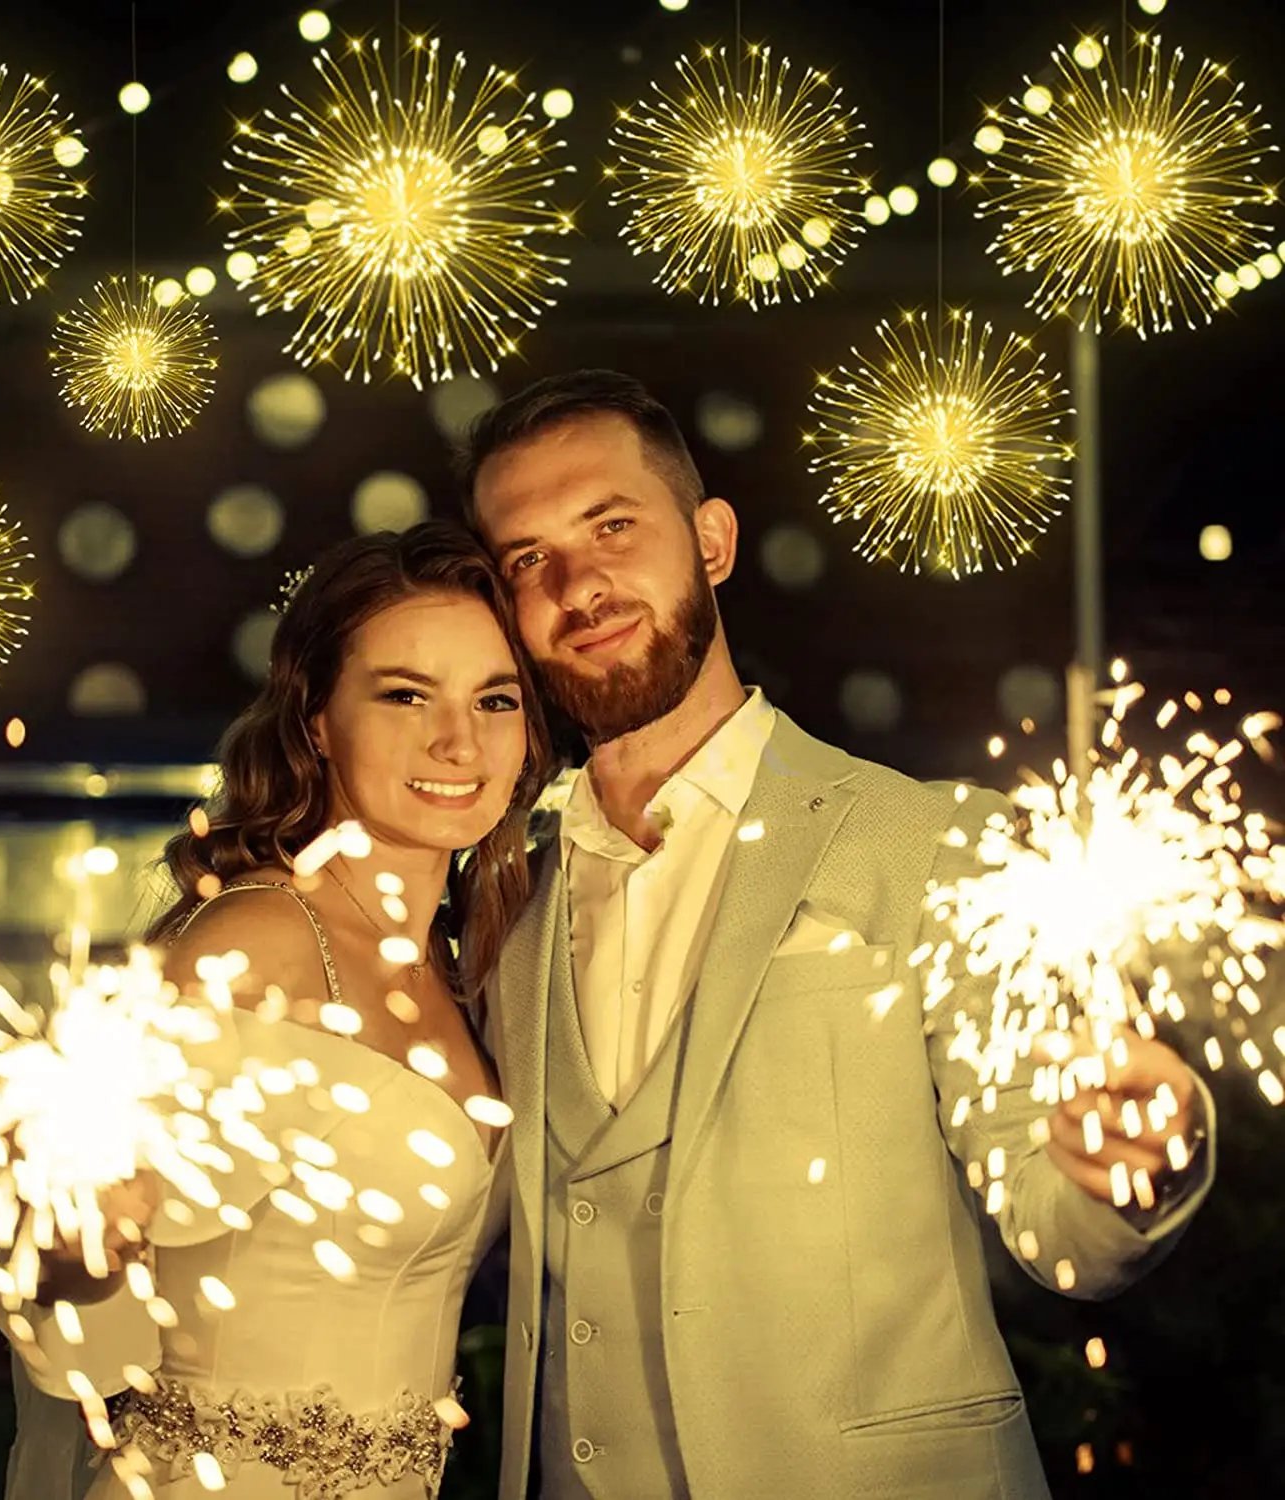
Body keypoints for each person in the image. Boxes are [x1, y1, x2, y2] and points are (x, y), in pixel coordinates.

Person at [460, 370, 1216, 1500]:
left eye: (613, 525)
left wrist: (1141, 1167)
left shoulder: (929, 839)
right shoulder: (504, 898)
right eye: (528, 559)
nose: (579, 583)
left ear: (711, 541)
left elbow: (1055, 1219)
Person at [0, 521, 552, 1499]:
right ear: (317, 720)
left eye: (494, 698)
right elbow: (79, 1324)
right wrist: (81, 1255)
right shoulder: (256, 948)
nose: (458, 741)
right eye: (405, 694)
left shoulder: (459, 958)